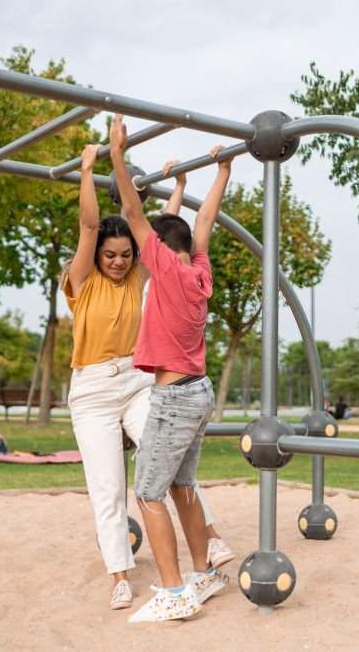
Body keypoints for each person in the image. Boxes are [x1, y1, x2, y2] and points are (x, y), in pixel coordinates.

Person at [63, 140, 232, 614]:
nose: (119, 260)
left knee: (157, 486)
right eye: (110, 255)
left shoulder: (148, 274)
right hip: (98, 388)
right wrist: (191, 181)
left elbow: (151, 229)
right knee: (111, 484)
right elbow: (184, 229)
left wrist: (112, 158)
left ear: (143, 256)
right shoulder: (86, 280)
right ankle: (124, 574)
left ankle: (185, 580)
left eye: (126, 255)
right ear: (98, 256)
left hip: (149, 386)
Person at [111, 115, 232, 623]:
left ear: (158, 251)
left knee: (148, 493)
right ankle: (204, 573)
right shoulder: (197, 270)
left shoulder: (162, 270)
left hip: (174, 396)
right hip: (199, 391)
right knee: (183, 486)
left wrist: (118, 157)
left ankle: (173, 590)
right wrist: (213, 174)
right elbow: (198, 224)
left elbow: (135, 212)